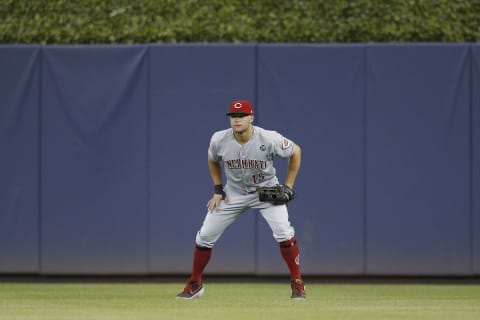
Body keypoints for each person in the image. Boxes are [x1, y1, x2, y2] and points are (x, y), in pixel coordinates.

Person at [176, 100, 306, 300]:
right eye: (234, 116)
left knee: (284, 232)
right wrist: (218, 190)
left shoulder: (269, 138)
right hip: (234, 192)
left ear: (251, 118)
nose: (237, 120)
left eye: (242, 115)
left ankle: (297, 283)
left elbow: (295, 151)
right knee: (205, 235)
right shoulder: (219, 139)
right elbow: (212, 158)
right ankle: (195, 284)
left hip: (266, 191)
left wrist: (288, 187)